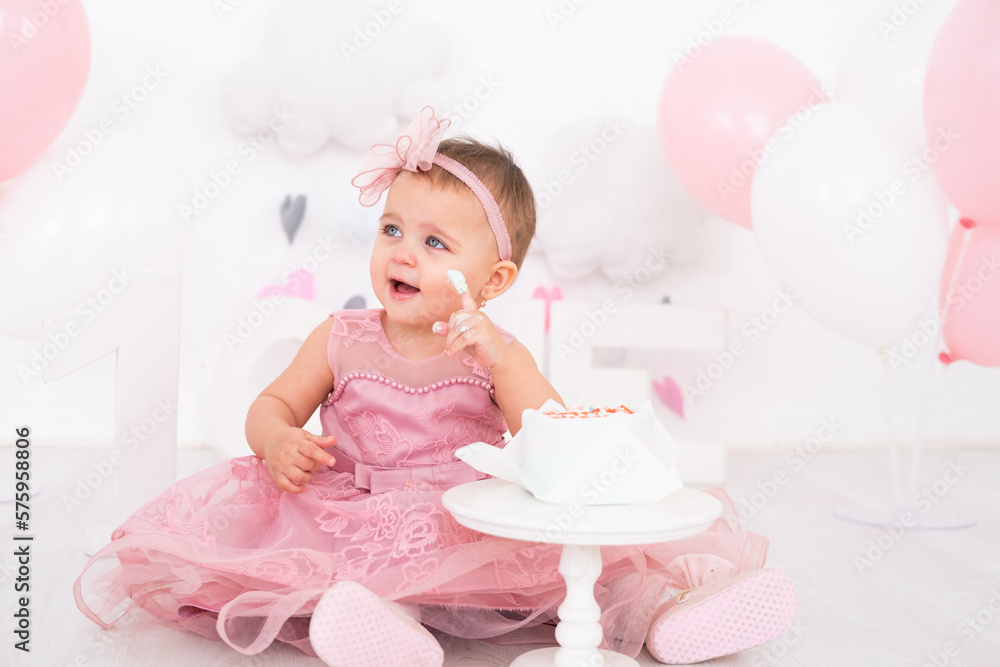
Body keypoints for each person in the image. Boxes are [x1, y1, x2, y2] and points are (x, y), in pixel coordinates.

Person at [74, 107, 796, 666]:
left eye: (434, 242)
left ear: (493, 279)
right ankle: (391, 632)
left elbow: (553, 435)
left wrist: (504, 362)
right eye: (392, 229)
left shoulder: (492, 351)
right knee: (357, 577)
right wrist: (277, 439)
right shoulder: (341, 336)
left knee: (581, 575)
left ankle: (666, 613)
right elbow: (273, 403)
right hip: (354, 511)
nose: (403, 253)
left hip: (466, 520)